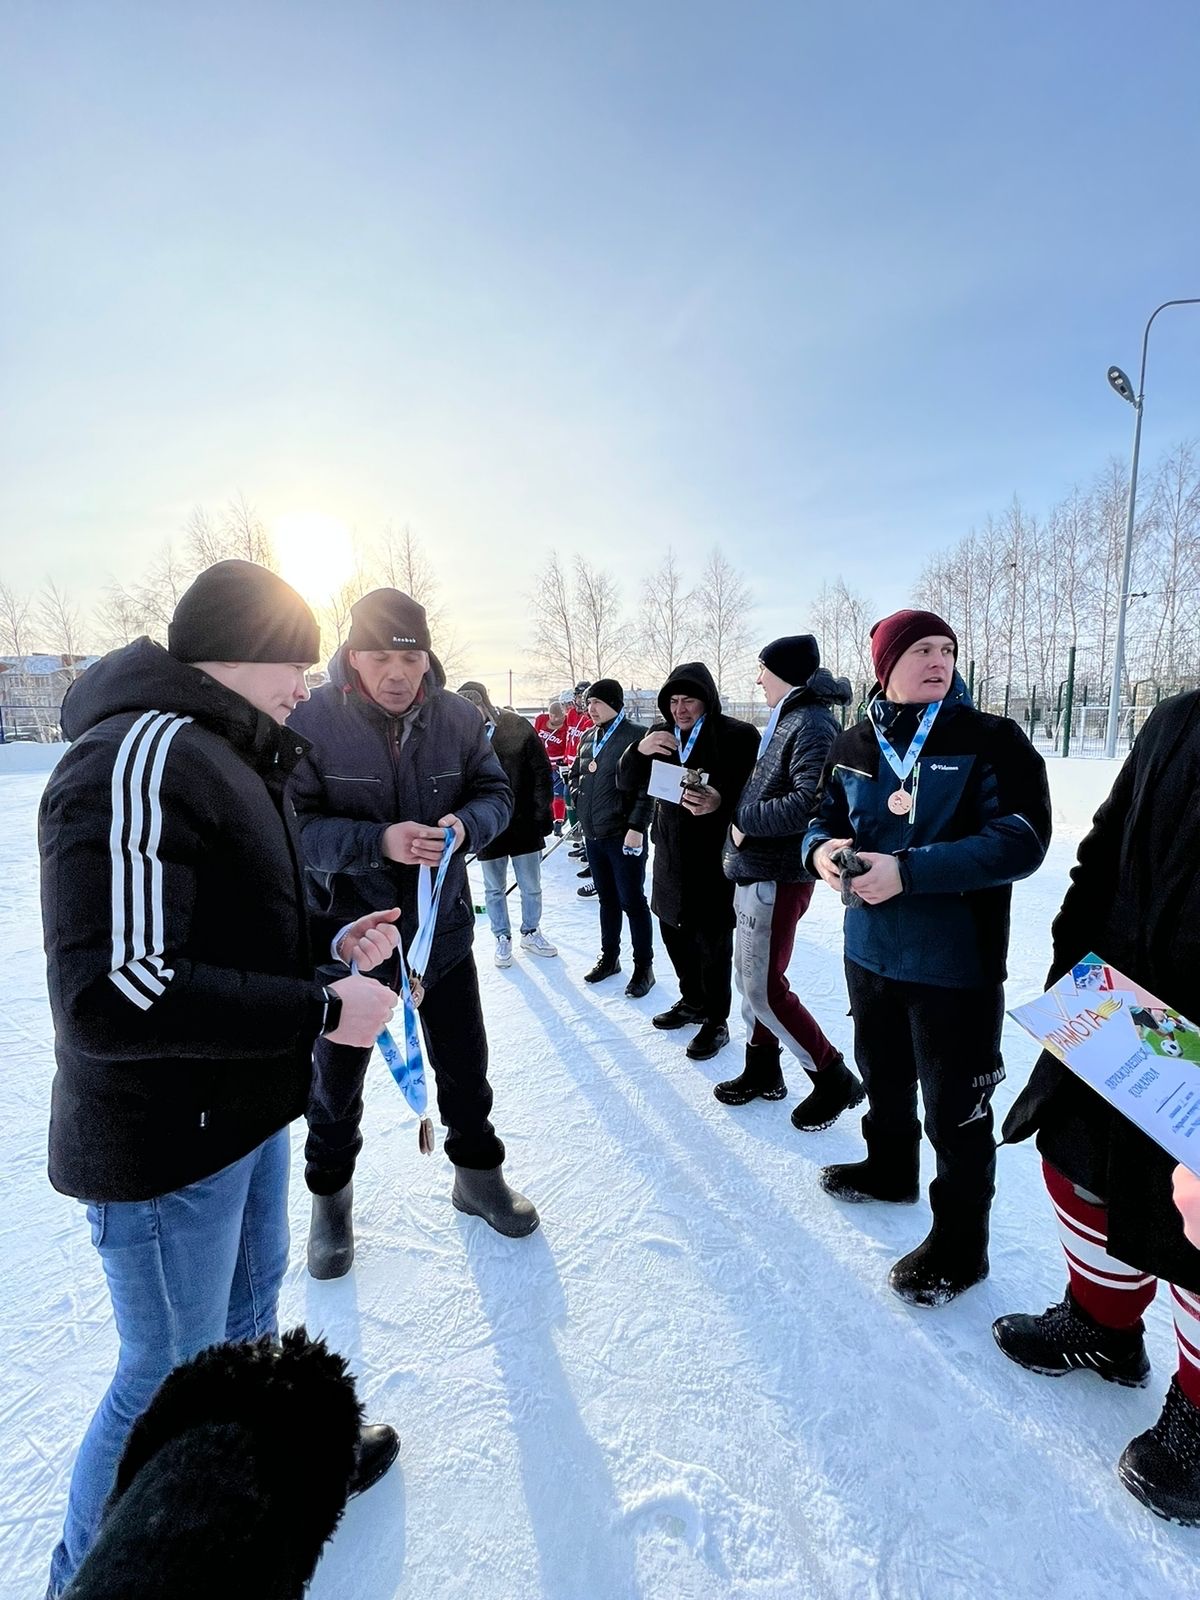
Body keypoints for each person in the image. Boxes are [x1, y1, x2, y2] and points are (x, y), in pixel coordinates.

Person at [38, 561, 402, 1597]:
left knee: (245, 1323)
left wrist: (329, 953)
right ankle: (88, 1578)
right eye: (294, 658)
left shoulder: (225, 755)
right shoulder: (140, 756)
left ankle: (262, 1485)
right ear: (240, 648)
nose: (305, 682)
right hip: (163, 1144)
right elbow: (118, 990)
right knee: (164, 1369)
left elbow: (221, 938)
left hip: (240, 1114)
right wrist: (321, 1010)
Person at [289, 588, 539, 1280]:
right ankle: (329, 1199)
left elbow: (495, 794)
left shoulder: (458, 717)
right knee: (335, 1078)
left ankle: (477, 1175)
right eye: (378, 657)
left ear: (427, 656)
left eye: (411, 657)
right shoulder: (311, 718)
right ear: (352, 657)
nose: (397, 674)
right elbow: (294, 829)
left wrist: (466, 828)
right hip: (353, 936)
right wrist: (379, 843)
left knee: (465, 1060)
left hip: (444, 931)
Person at [804, 608, 1050, 1306]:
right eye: (920, 650)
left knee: (956, 1112)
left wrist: (909, 871)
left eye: (947, 647)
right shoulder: (852, 742)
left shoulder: (990, 738)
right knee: (882, 1076)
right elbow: (823, 821)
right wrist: (820, 852)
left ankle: (961, 1248)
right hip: (870, 951)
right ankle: (889, 1169)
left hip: (956, 966)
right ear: (886, 666)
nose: (938, 659)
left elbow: (1021, 838)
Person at [996, 692, 1200, 1523]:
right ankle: (1104, 1326)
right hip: (1127, 1011)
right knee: (1079, 1167)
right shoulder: (1179, 717)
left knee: (1193, 1230)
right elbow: (1104, 847)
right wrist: (1075, 964)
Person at [716, 636, 864, 1123]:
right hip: (758, 871)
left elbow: (808, 804)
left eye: (762, 669)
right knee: (751, 978)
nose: (757, 679)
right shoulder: (792, 716)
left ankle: (832, 1075)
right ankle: (763, 1070)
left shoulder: (813, 722)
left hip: (776, 876)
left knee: (763, 987)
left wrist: (744, 820)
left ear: (784, 671)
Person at [618, 661, 758, 1061]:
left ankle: (717, 1019)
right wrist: (637, 750)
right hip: (669, 855)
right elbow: (626, 782)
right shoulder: (658, 736)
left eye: (688, 700)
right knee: (673, 932)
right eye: (673, 701)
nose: (680, 709)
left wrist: (720, 802)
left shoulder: (737, 735)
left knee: (712, 941)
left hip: (714, 858)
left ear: (706, 700)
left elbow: (753, 795)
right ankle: (691, 1001)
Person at [457, 680, 557, 967]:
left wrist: (543, 813)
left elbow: (541, 770)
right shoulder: (462, 736)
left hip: (524, 821)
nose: (472, 714)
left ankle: (531, 931)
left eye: (475, 706)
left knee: (531, 885)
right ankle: (502, 936)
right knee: (493, 888)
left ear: (485, 703)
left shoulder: (515, 725)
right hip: (488, 825)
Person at [569, 678, 655, 998]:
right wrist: (579, 803)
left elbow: (648, 788)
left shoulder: (636, 735)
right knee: (607, 901)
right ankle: (610, 958)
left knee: (632, 901)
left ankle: (644, 966)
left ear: (615, 704)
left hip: (624, 836)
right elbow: (577, 775)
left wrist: (636, 827)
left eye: (597, 703)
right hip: (594, 834)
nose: (590, 709)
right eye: (588, 703)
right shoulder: (588, 737)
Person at [533, 696, 570, 834]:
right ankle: (541, 818)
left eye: (558, 717)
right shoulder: (541, 720)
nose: (555, 720)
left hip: (558, 764)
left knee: (557, 794)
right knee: (540, 792)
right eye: (552, 716)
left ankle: (558, 822)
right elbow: (534, 738)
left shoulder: (567, 726)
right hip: (542, 762)